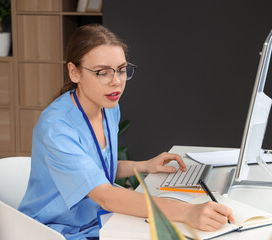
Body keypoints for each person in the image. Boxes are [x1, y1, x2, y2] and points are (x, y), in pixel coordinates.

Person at [18, 24, 234, 240]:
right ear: (75, 72)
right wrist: (187, 212)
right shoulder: (57, 128)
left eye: (121, 70)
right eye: (102, 73)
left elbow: (95, 166)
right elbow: (104, 195)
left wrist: (145, 166)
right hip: (57, 230)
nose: (117, 82)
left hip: (99, 220)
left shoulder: (108, 107)